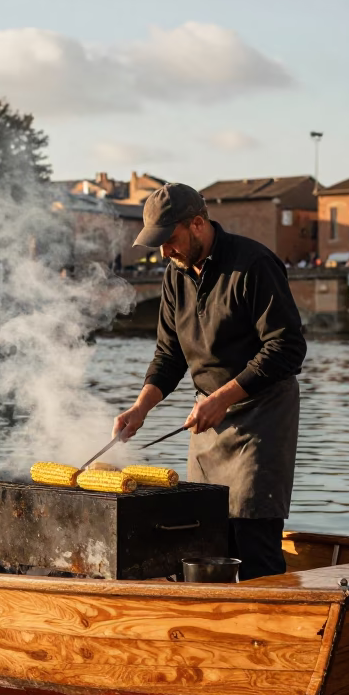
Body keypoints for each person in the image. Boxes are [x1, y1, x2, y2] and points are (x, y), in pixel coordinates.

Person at [113, 183, 307, 580]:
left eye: (169, 240)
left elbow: (287, 348)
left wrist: (222, 398)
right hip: (208, 416)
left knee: (252, 538)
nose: (165, 252)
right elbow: (169, 357)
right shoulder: (174, 275)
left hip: (262, 416)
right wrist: (140, 408)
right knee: (202, 537)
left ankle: (269, 634)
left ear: (197, 224)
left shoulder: (254, 264)